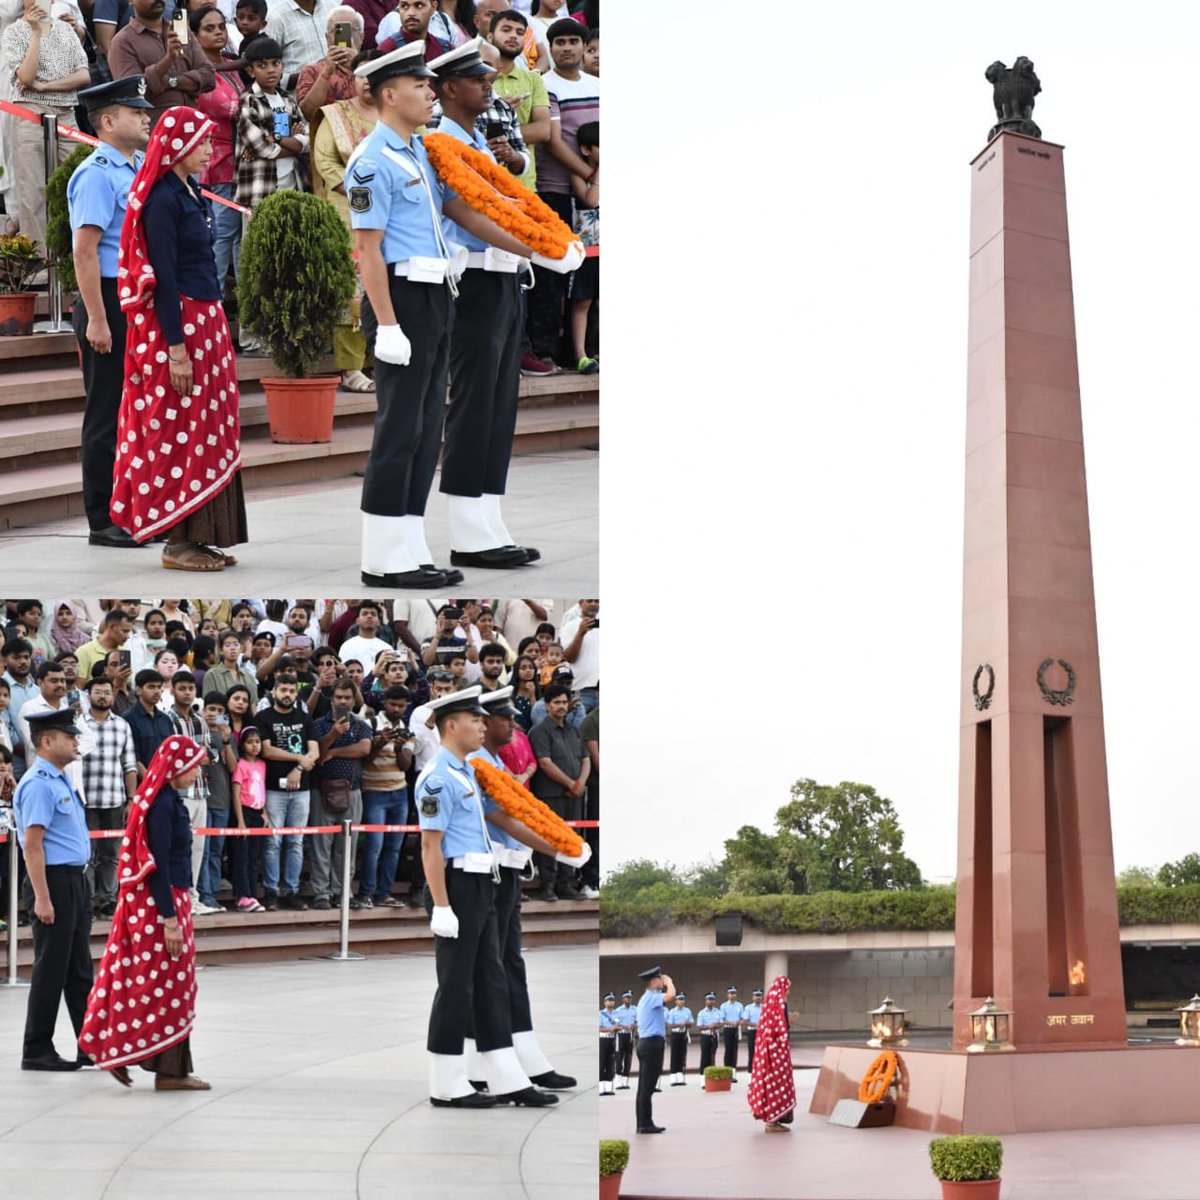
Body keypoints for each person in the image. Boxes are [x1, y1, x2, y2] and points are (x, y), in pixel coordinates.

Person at [347, 39, 580, 587]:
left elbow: (464, 213)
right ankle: (381, 554)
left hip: (436, 293)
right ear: (388, 94)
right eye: (418, 86)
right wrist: (385, 324)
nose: (428, 92)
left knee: (426, 427)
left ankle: (408, 545)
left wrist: (540, 249)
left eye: (430, 84)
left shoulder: (418, 153)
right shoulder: (371, 160)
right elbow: (368, 250)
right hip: (402, 294)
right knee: (401, 426)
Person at [415, 685, 572, 1107]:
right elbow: (431, 847)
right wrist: (442, 906)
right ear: (451, 725)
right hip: (457, 882)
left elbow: (500, 816)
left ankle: (503, 1072)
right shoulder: (436, 777)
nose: (482, 726)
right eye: (474, 720)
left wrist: (557, 847)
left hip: (484, 880)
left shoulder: (467, 770)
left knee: (488, 978)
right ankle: (446, 1082)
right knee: (455, 986)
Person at [109, 105, 249, 569]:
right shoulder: (162, 200)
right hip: (180, 325)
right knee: (182, 429)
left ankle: (204, 535)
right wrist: (176, 350)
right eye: (203, 142)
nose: (210, 149)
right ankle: (177, 543)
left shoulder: (192, 191)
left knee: (209, 427)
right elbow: (164, 278)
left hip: (206, 320)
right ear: (178, 147)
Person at [429, 39, 539, 568]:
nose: (488, 84)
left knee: (499, 404)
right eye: (478, 80)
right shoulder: (442, 142)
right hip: (470, 277)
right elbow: (471, 215)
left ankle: (489, 518)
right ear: (450, 88)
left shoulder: (476, 138)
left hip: (502, 275)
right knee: (474, 404)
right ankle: (468, 530)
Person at [79, 735, 212, 1089]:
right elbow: (157, 867)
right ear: (177, 766)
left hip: (170, 900)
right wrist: (170, 921)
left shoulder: (169, 800)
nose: (197, 771)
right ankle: (163, 1069)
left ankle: (162, 1066)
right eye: (194, 764)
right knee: (163, 984)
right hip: (161, 906)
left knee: (162, 984)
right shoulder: (161, 807)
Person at [468, 686, 575, 1089]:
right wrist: (557, 847)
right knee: (493, 966)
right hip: (487, 871)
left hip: (506, 869)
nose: (513, 723)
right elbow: (499, 817)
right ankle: (487, 1060)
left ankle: (520, 1051)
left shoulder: (493, 759)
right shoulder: (477, 762)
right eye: (504, 717)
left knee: (508, 963)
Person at [68, 80, 155, 549]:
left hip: (134, 299)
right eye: (133, 110)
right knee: (106, 412)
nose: (145, 117)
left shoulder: (138, 166)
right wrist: (97, 320)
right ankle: (102, 517)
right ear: (106, 121)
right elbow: (84, 251)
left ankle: (132, 509)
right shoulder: (97, 173)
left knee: (135, 412)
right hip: (106, 297)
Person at [13, 709, 93, 1071]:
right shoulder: (38, 783)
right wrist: (43, 898)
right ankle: (37, 1048)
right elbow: (33, 846)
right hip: (54, 882)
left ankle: (90, 1044)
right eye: (68, 735)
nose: (76, 740)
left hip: (74, 880)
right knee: (51, 969)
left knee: (78, 969)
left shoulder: (59, 779)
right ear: (47, 741)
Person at [526, 16, 595, 366]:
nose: (566, 48)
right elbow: (553, 142)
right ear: (549, 48)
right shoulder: (545, 84)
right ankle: (547, 350)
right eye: (559, 42)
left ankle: (584, 350)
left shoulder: (600, 85)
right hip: (554, 191)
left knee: (591, 273)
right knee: (554, 273)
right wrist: (592, 174)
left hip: (595, 195)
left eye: (572, 42)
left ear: (584, 47)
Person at [311, 50, 378, 393]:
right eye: (362, 74)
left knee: (388, 288)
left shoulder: (397, 115)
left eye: (374, 75)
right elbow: (324, 161)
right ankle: (350, 368)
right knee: (352, 293)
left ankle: (377, 360)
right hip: (346, 210)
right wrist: (360, 191)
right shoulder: (335, 115)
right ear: (352, 78)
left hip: (391, 214)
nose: (367, 82)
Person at [1, 0, 89, 251]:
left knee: (78, 182)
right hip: (28, 112)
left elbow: (83, 75)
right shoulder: (13, 32)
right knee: (33, 193)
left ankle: (76, 260)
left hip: (66, 112)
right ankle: (39, 264)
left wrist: (45, 86)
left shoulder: (64, 30)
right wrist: (36, 34)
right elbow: (26, 77)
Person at [191, 4, 245, 289]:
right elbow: (227, 107)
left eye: (221, 27)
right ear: (196, 36)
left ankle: (237, 297)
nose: (218, 33)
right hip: (219, 160)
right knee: (223, 232)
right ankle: (213, 295)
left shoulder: (232, 65)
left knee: (238, 234)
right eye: (209, 29)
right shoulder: (199, 71)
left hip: (240, 160)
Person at [254, 672, 317, 911]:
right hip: (272, 789)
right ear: (274, 692)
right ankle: (271, 892)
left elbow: (315, 752)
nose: (287, 695)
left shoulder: (304, 717)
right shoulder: (263, 717)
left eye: (292, 691)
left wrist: (298, 768)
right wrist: (300, 758)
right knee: (273, 842)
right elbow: (267, 751)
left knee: (296, 842)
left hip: (302, 790)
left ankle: (291, 891)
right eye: (283, 690)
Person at [309, 679, 372, 908]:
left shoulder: (361, 725)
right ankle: (322, 893)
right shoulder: (318, 724)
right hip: (322, 789)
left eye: (347, 698)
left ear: (354, 700)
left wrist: (335, 752)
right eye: (338, 697)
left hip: (352, 791)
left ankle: (342, 892)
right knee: (321, 844)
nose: (342, 701)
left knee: (347, 846)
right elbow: (317, 753)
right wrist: (333, 735)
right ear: (331, 698)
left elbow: (364, 748)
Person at [80, 676, 137, 918]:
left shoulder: (122, 725)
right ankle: (88, 901)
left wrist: (131, 800)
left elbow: (129, 765)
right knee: (87, 855)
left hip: (115, 800)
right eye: (98, 692)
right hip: (85, 800)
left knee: (111, 855)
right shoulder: (78, 724)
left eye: (107, 692)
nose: (103, 696)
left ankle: (108, 901)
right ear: (89, 695)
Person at [235, 35, 309, 220]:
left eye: (275, 64)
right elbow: (262, 148)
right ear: (251, 71)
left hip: (292, 184)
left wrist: (277, 139)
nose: (271, 70)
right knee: (259, 246)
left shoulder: (287, 100)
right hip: (260, 190)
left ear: (282, 66)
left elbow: (307, 141)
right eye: (262, 65)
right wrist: (293, 144)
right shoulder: (248, 101)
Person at [107, 0, 216, 121]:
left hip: (192, 129)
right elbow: (132, 94)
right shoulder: (122, 42)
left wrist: (170, 82)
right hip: (155, 133)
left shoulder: (180, 30)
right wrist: (168, 60)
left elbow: (209, 77)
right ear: (131, 1)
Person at [528, 682, 587, 899]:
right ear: (547, 705)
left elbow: (585, 759)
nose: (562, 706)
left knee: (571, 839)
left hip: (575, 796)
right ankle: (548, 886)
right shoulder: (539, 731)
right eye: (557, 702)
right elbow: (545, 763)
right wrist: (570, 784)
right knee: (549, 840)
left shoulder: (573, 730)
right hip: (550, 795)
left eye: (564, 702)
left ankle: (565, 884)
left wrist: (580, 782)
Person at [357, 682, 413, 906]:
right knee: (374, 847)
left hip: (399, 793)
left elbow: (405, 766)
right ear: (384, 703)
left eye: (401, 706)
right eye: (393, 704)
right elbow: (364, 761)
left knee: (394, 848)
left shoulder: (407, 730)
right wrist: (380, 743)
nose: (397, 709)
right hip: (373, 793)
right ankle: (366, 893)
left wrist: (399, 747)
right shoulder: (370, 724)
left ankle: (384, 893)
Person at [747, 976, 796, 1134]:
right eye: (788, 987)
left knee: (770, 1082)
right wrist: (789, 1022)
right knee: (778, 1082)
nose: (789, 991)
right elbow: (780, 1028)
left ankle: (771, 1118)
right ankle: (773, 1121)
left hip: (767, 1051)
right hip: (777, 1053)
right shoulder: (779, 1002)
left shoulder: (769, 1002)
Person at [296, 2, 359, 121]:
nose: (345, 36)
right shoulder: (312, 71)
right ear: (327, 38)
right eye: (338, 31)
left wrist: (358, 65)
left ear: (362, 35)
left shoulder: (373, 65)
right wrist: (326, 73)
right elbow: (309, 114)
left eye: (351, 30)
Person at [567, 118, 596, 372]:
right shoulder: (578, 173)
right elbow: (590, 200)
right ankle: (580, 355)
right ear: (586, 150)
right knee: (582, 301)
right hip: (587, 250)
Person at [229, 724, 267, 910]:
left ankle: (252, 894)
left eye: (257, 742)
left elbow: (261, 789)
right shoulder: (240, 765)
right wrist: (240, 821)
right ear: (242, 745)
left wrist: (264, 812)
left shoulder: (262, 764)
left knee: (253, 856)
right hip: (243, 812)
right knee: (241, 856)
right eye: (250, 742)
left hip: (257, 813)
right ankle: (242, 896)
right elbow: (236, 794)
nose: (254, 745)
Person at [634, 965, 675, 1135]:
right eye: (659, 979)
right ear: (653, 982)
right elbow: (671, 995)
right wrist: (669, 982)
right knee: (647, 1087)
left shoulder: (648, 997)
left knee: (644, 1086)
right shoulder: (651, 997)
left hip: (647, 1043)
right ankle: (644, 1123)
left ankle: (644, 1122)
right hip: (651, 1044)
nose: (662, 980)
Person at [264, 0, 335, 91]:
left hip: (338, 96)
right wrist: (309, 75)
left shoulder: (333, 8)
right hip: (300, 97)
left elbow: (346, 48)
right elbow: (266, 71)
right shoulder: (276, 18)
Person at [124, 668, 174, 776]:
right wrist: (150, 781)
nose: (156, 691)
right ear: (138, 690)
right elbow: (132, 756)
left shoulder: (165, 719)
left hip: (165, 780)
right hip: (141, 784)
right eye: (151, 687)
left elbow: (171, 751)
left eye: (159, 687)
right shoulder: (129, 718)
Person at [559, 598, 597, 710]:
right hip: (581, 691)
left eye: (597, 601)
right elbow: (569, 657)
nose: (593, 604)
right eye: (589, 601)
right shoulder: (570, 626)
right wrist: (580, 633)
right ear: (580, 603)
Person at [666, 990, 692, 1086]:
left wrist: (686, 1024)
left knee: (682, 1054)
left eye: (683, 999)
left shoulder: (687, 1011)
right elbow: (669, 1025)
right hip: (675, 1034)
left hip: (683, 1033)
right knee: (674, 1055)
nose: (681, 1001)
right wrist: (680, 1024)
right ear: (675, 1001)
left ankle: (680, 1075)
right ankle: (673, 1076)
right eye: (679, 999)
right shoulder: (672, 1011)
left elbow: (691, 1023)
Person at [611, 987, 635, 1090]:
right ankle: (618, 1081)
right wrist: (624, 1026)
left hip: (630, 1035)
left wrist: (635, 1025)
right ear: (623, 998)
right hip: (621, 1035)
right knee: (619, 1057)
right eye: (627, 997)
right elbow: (614, 1024)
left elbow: (639, 1021)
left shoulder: (635, 1009)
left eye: (630, 997)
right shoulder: (617, 1011)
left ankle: (625, 1081)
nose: (629, 999)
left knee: (628, 1058)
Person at [720, 985, 744, 1082]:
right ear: (727, 995)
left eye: (734, 993)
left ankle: (733, 1073)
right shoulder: (723, 1006)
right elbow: (722, 1019)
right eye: (731, 993)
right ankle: (727, 1072)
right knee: (728, 1050)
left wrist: (738, 1021)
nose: (733, 995)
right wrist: (730, 1022)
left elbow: (742, 1018)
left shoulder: (740, 1005)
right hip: (728, 1029)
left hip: (736, 1029)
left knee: (734, 1050)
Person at [597, 991, 617, 1096]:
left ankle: (608, 1088)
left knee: (610, 1063)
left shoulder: (617, 1013)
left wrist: (619, 1027)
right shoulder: (601, 1014)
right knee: (602, 1063)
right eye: (609, 1000)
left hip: (613, 1039)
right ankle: (601, 1088)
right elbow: (598, 1028)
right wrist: (610, 1028)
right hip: (604, 1039)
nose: (611, 1002)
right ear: (605, 1002)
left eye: (612, 1000)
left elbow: (620, 1025)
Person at [696, 992, 721, 1072]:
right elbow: (699, 1027)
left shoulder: (718, 1011)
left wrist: (715, 1025)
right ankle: (703, 1076)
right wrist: (709, 1026)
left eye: (713, 999)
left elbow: (720, 1023)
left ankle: (711, 1074)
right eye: (709, 999)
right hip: (705, 1035)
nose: (711, 1001)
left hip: (714, 1035)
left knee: (713, 1055)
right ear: (705, 1001)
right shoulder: (702, 1013)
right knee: (705, 1055)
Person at [744, 988, 764, 1071]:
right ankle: (751, 1072)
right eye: (756, 996)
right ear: (753, 997)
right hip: (752, 1031)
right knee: (751, 1051)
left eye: (759, 996)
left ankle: (760, 1071)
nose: (758, 997)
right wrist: (756, 1024)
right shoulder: (748, 1008)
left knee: (762, 1052)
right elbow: (745, 1020)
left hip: (762, 1031)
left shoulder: (765, 1007)